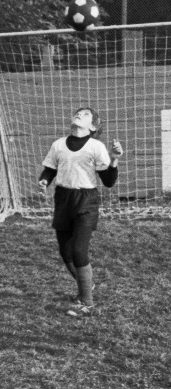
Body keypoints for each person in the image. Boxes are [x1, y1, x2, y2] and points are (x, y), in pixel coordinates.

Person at [38, 107, 122, 316]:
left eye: (85, 114)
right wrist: (44, 180)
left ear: (92, 126)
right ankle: (87, 285)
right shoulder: (58, 144)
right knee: (65, 252)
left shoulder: (96, 146)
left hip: (86, 201)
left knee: (78, 250)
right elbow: (50, 169)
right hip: (63, 199)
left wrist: (114, 159)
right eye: (78, 112)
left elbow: (109, 181)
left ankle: (86, 303)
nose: (79, 114)